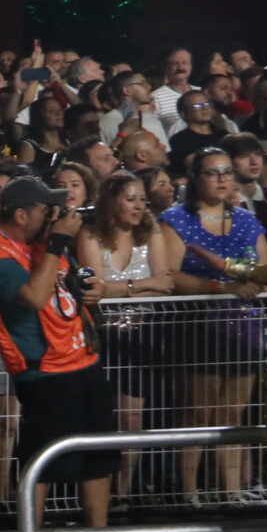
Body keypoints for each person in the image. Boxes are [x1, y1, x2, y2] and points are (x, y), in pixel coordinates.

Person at [0, 176, 143, 532]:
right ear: (20, 214)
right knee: (41, 464)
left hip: (81, 358)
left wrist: (89, 289)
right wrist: (55, 244)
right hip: (43, 370)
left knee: (98, 458)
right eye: (44, 209)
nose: (54, 215)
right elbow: (33, 297)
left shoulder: (46, 244)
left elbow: (64, 285)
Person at [159, 150, 267, 505]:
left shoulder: (247, 220)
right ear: (196, 179)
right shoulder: (176, 220)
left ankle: (231, 492)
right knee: (198, 412)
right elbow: (171, 274)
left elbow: (266, 272)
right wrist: (224, 287)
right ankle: (189, 493)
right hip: (198, 326)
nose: (222, 179)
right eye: (213, 173)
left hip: (244, 328)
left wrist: (254, 283)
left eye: (227, 172)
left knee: (232, 414)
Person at [80, 173, 183, 499]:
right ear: (112, 201)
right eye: (130, 199)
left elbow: (166, 283)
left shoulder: (150, 232)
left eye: (142, 198)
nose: (139, 206)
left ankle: (124, 494)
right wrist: (141, 286)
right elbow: (93, 290)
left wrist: (119, 289)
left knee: (133, 417)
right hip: (102, 339)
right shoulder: (90, 235)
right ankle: (101, 495)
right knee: (105, 419)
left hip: (142, 338)